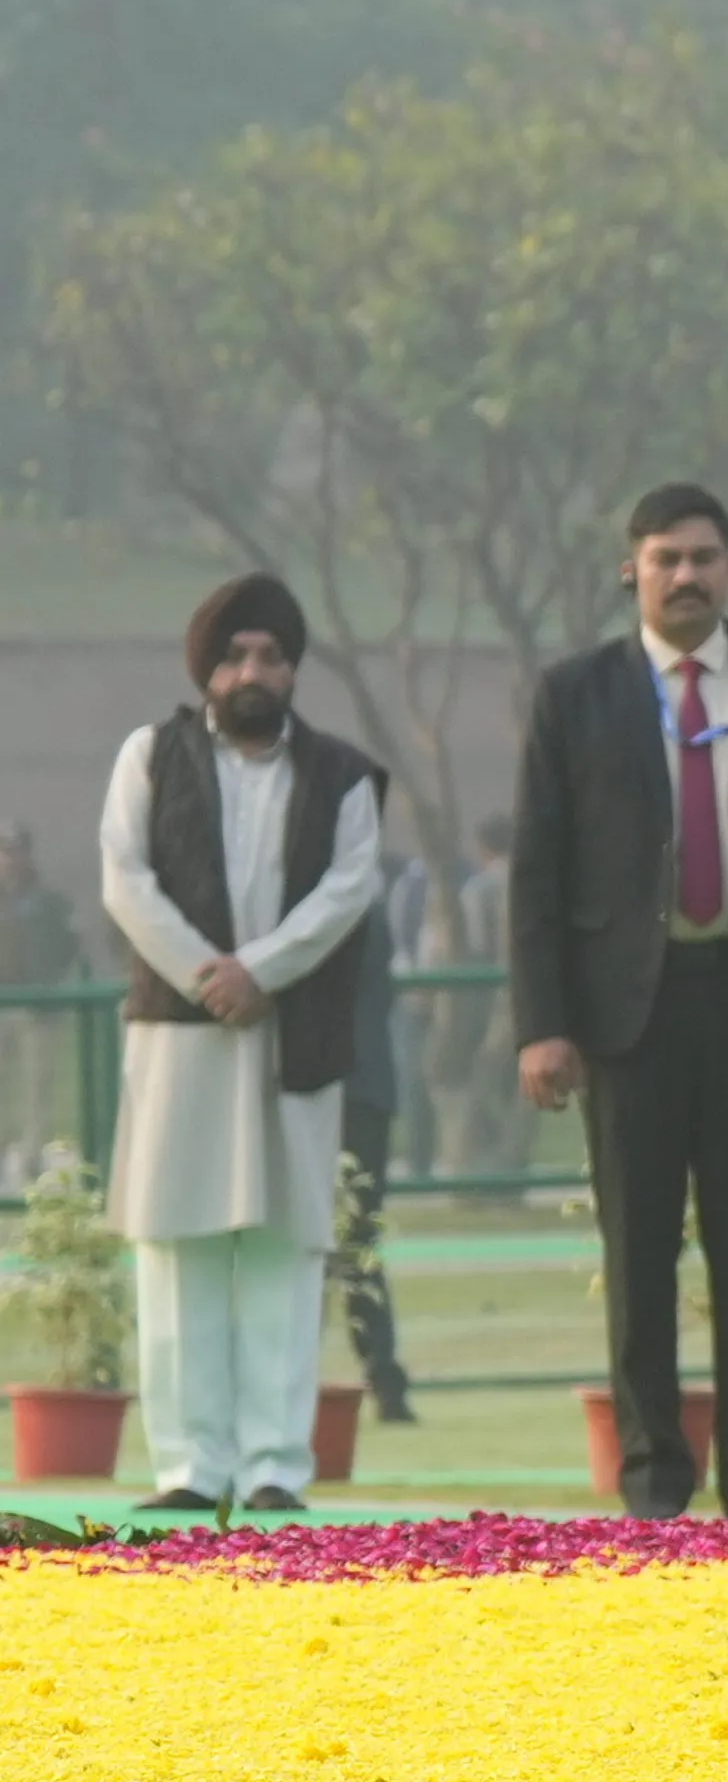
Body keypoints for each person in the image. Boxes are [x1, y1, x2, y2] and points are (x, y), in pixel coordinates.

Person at [512, 485, 728, 1517]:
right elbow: (538, 868)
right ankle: (655, 1482)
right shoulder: (576, 695)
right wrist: (542, 1024)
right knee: (640, 1256)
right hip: (628, 1019)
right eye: (666, 558)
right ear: (634, 570)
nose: (687, 575)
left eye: (704, 557)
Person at [92, 576, 387, 1514]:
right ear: (207, 669)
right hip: (182, 1038)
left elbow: (347, 891)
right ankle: (187, 1469)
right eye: (234, 656)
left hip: (287, 1034)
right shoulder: (151, 755)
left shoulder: (343, 775)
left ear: (294, 667)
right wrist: (204, 973)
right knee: (176, 1253)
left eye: (269, 655)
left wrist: (258, 969)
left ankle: (271, 1469)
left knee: (282, 1253)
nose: (251, 671)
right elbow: (124, 880)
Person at [335, 838, 424, 1418]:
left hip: (336, 1088)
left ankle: (380, 1375)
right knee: (359, 1241)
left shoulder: (340, 922)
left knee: (341, 1241)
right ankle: (384, 1377)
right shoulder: (370, 913)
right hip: (367, 1088)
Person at [427, 815, 521, 1186]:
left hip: (495, 999)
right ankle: (507, 1168)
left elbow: (476, 948)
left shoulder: (480, 888)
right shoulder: (534, 881)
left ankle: (480, 1171)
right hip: (529, 997)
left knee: (479, 1080)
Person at [0, 821, 81, 1186]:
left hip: (38, 1010)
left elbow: (68, 944)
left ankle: (31, 1160)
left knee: (37, 1088)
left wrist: (49, 980)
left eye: (13, 851)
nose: (7, 859)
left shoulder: (47, 900)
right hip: (3, 1005)